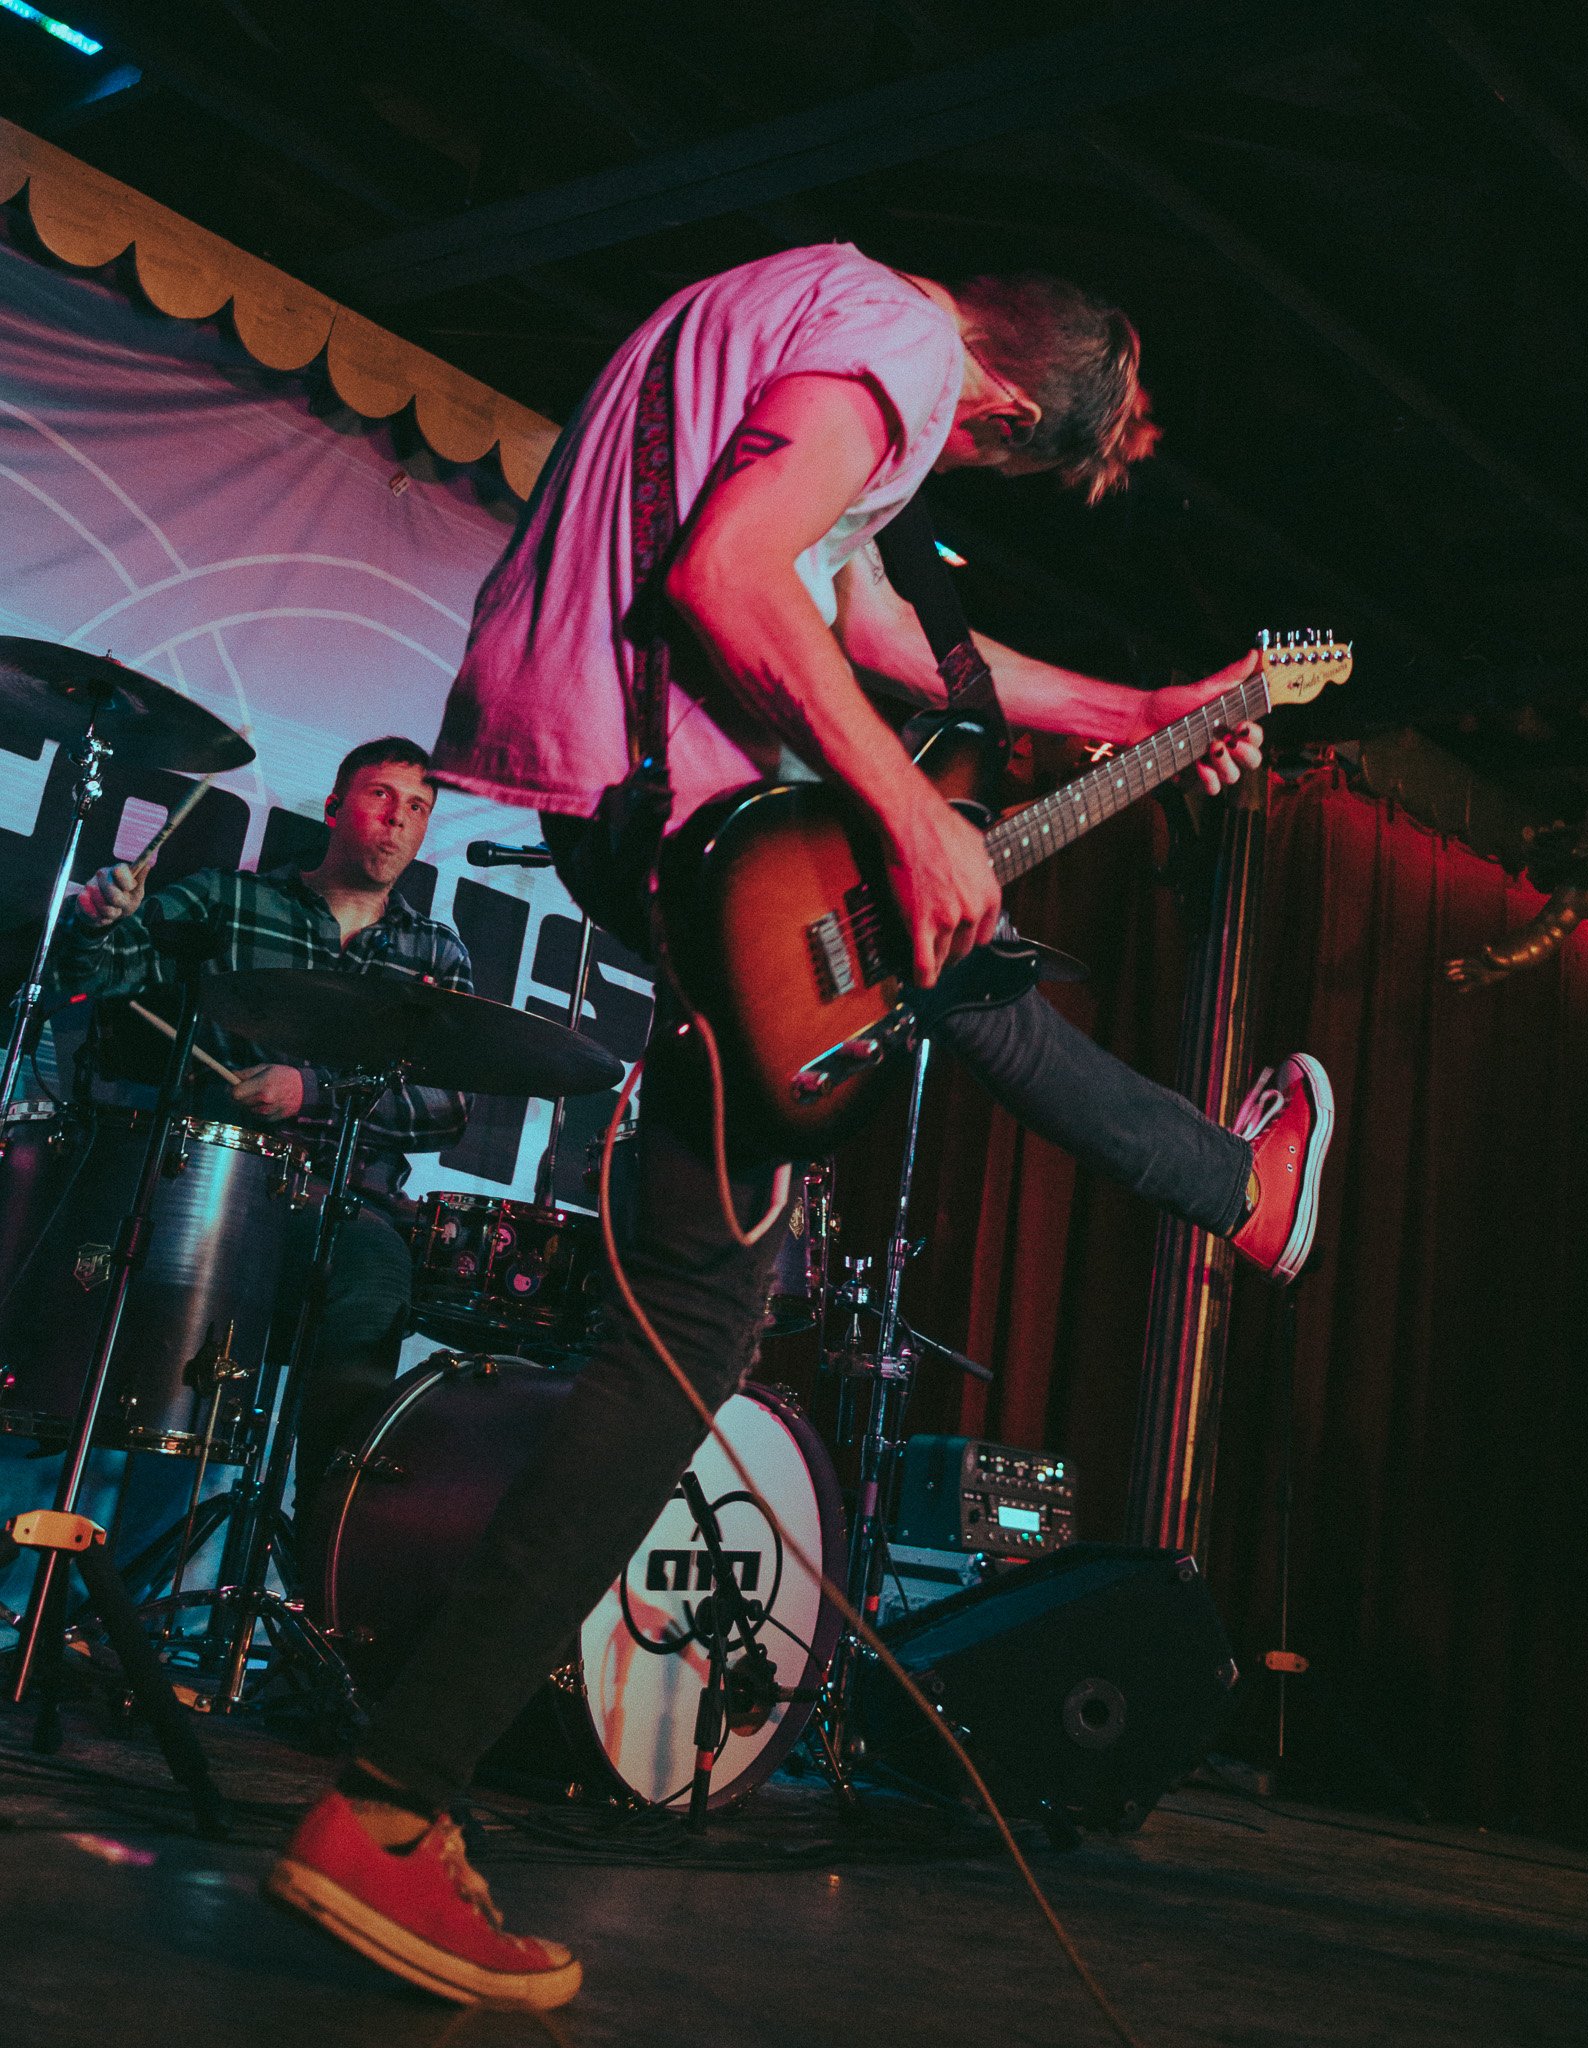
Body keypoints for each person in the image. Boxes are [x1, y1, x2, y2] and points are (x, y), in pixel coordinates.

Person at [265, 247, 1331, 2013]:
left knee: (878, 1058)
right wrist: (911, 807)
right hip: (687, 803)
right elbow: (737, 573)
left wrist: (1135, 714)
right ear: (993, 406)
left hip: (653, 807)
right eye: (991, 465)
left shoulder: (808, 315)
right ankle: (386, 1803)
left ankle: (1222, 1181)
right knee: (692, 1318)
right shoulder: (896, 347)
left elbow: (861, 620)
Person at [53, 736, 472, 1520]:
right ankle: (112, 1587)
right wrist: (98, 922)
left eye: (416, 808)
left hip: (349, 1207)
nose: (396, 821)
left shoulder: (435, 953)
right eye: (381, 796)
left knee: (376, 1278)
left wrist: (309, 1092)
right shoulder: (232, 902)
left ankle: (322, 1548)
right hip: (221, 1189)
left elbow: (450, 1104)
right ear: (335, 806)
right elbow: (98, 977)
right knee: (167, 1345)